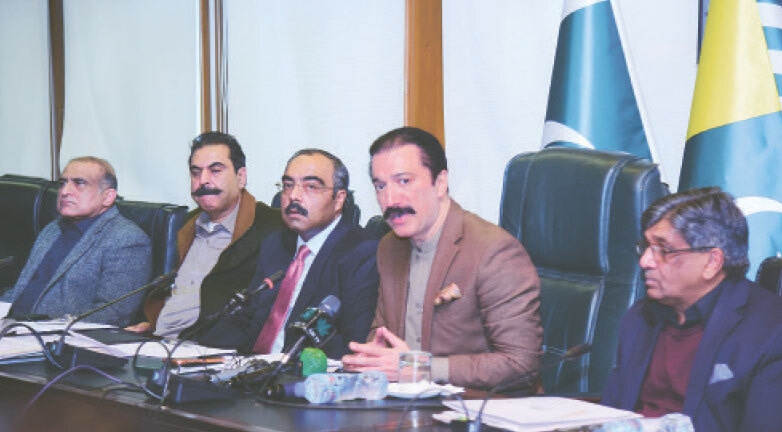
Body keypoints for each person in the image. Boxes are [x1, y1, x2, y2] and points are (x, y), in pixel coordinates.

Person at [602, 187, 782, 432]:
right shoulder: (640, 318)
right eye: (646, 247)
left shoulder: (776, 332)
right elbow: (614, 412)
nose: (645, 261)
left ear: (712, 261)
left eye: (663, 249)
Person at [341, 126, 543, 390]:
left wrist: (418, 368)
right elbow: (381, 332)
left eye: (404, 181)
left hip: (475, 411)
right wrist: (372, 357)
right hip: (404, 407)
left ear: (440, 183)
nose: (390, 199)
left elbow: (521, 365)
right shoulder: (390, 247)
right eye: (380, 186)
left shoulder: (493, 251)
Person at [184, 149, 378, 358]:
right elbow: (247, 318)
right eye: (288, 185)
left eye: (311, 187)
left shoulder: (361, 253)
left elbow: (352, 342)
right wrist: (194, 351)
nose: (293, 196)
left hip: (303, 376)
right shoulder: (276, 244)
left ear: (339, 199)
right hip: (251, 369)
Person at [127, 131, 283, 338]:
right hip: (156, 342)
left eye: (215, 170)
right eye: (196, 172)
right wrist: (153, 323)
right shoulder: (186, 225)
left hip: (208, 351)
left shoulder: (273, 227)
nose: (203, 181)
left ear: (241, 177)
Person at [1, 156, 152, 326]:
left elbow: (113, 314)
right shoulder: (51, 230)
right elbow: (21, 291)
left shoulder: (127, 239)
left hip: (51, 340)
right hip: (9, 328)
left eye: (79, 183)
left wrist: (40, 328)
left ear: (108, 197)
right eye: (63, 183)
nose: (64, 192)